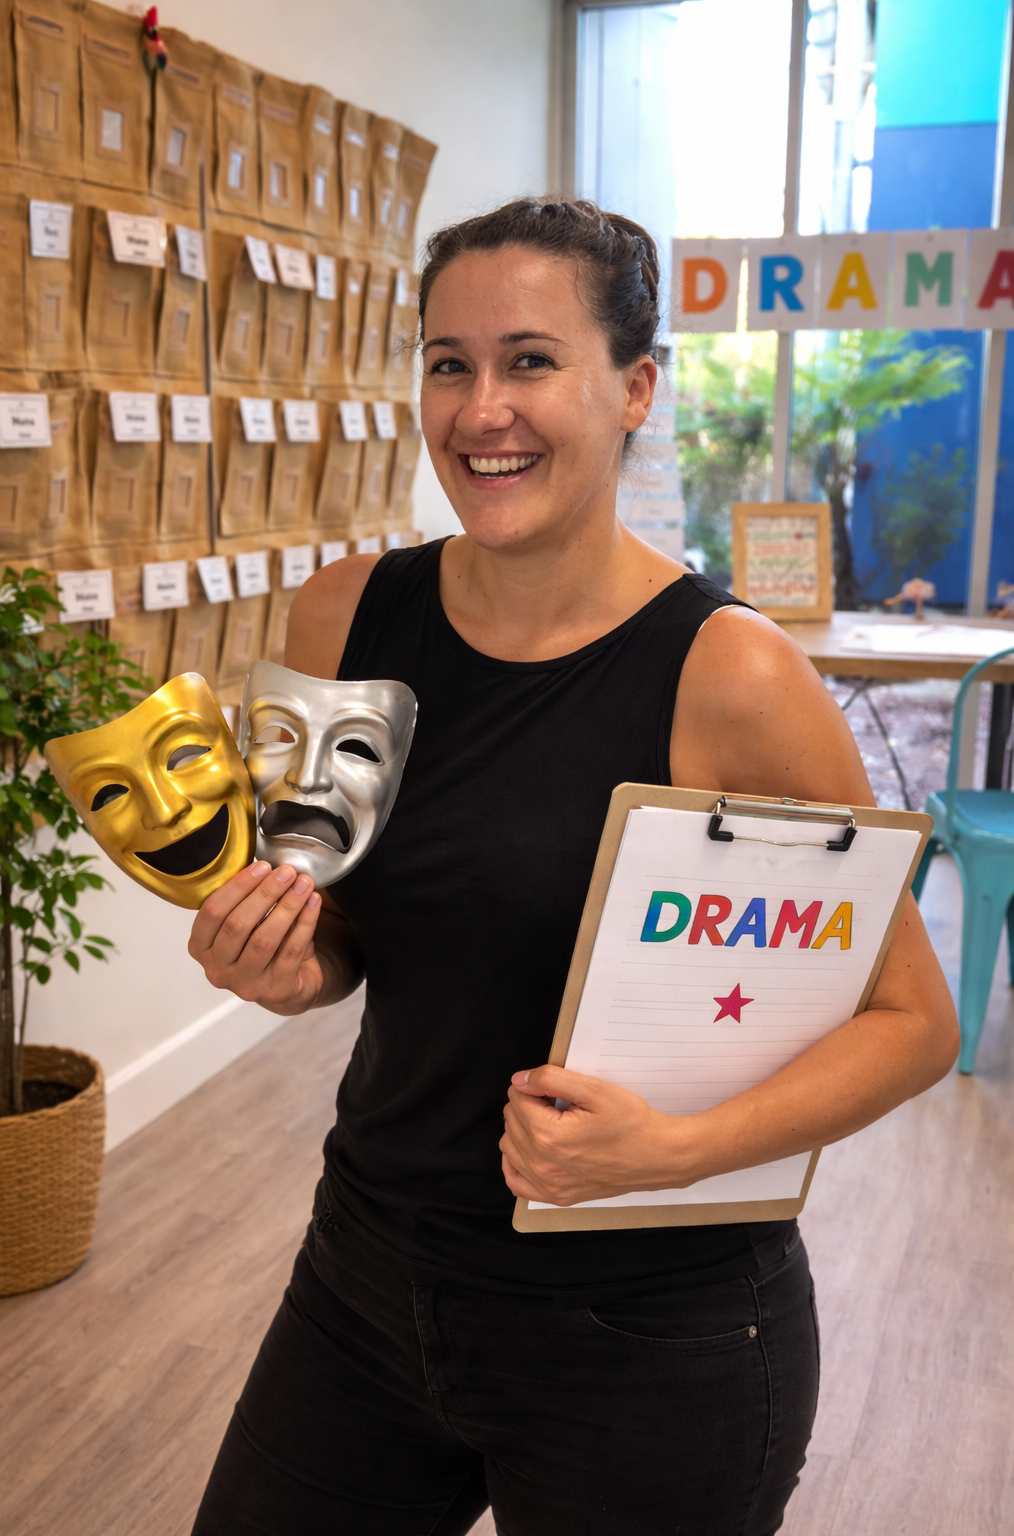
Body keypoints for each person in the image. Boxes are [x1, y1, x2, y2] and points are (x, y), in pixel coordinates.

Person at [188, 199, 959, 1536]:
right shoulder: (345, 615)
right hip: (370, 1268)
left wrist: (674, 1150)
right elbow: (338, 943)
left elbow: (914, 1024)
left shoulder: (734, 677)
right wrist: (276, 957)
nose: (482, 409)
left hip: (656, 1328)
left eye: (532, 361)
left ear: (635, 389)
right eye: (449, 362)